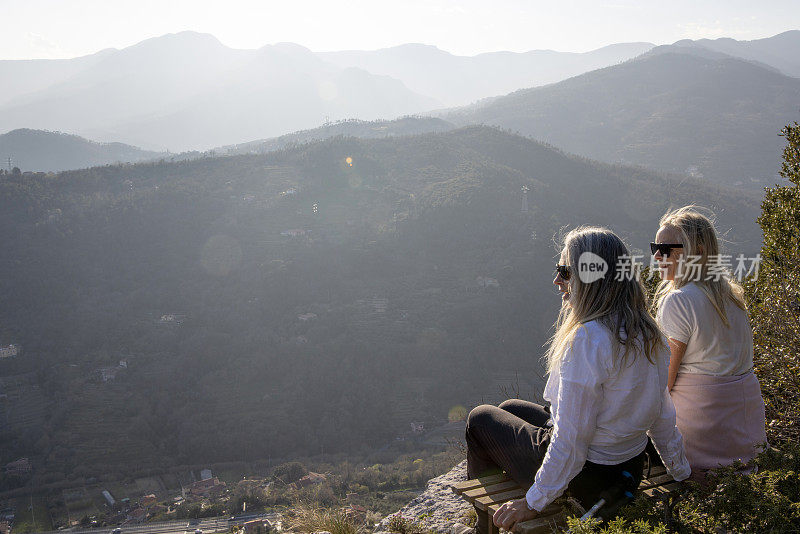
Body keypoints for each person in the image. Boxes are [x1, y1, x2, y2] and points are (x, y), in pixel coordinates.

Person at [466, 227, 690, 534]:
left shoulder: (589, 340)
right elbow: (663, 414)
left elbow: (572, 440)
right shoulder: (648, 331)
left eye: (565, 272)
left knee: (479, 421)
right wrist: (681, 471)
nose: (557, 281)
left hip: (587, 478)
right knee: (509, 407)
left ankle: (484, 526)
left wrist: (532, 502)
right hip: (628, 467)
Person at [652, 206, 767, 476]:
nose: (657, 255)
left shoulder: (679, 301)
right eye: (655, 247)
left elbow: (662, 383)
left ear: (699, 252)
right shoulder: (732, 298)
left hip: (702, 444)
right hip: (747, 441)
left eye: (666, 248)